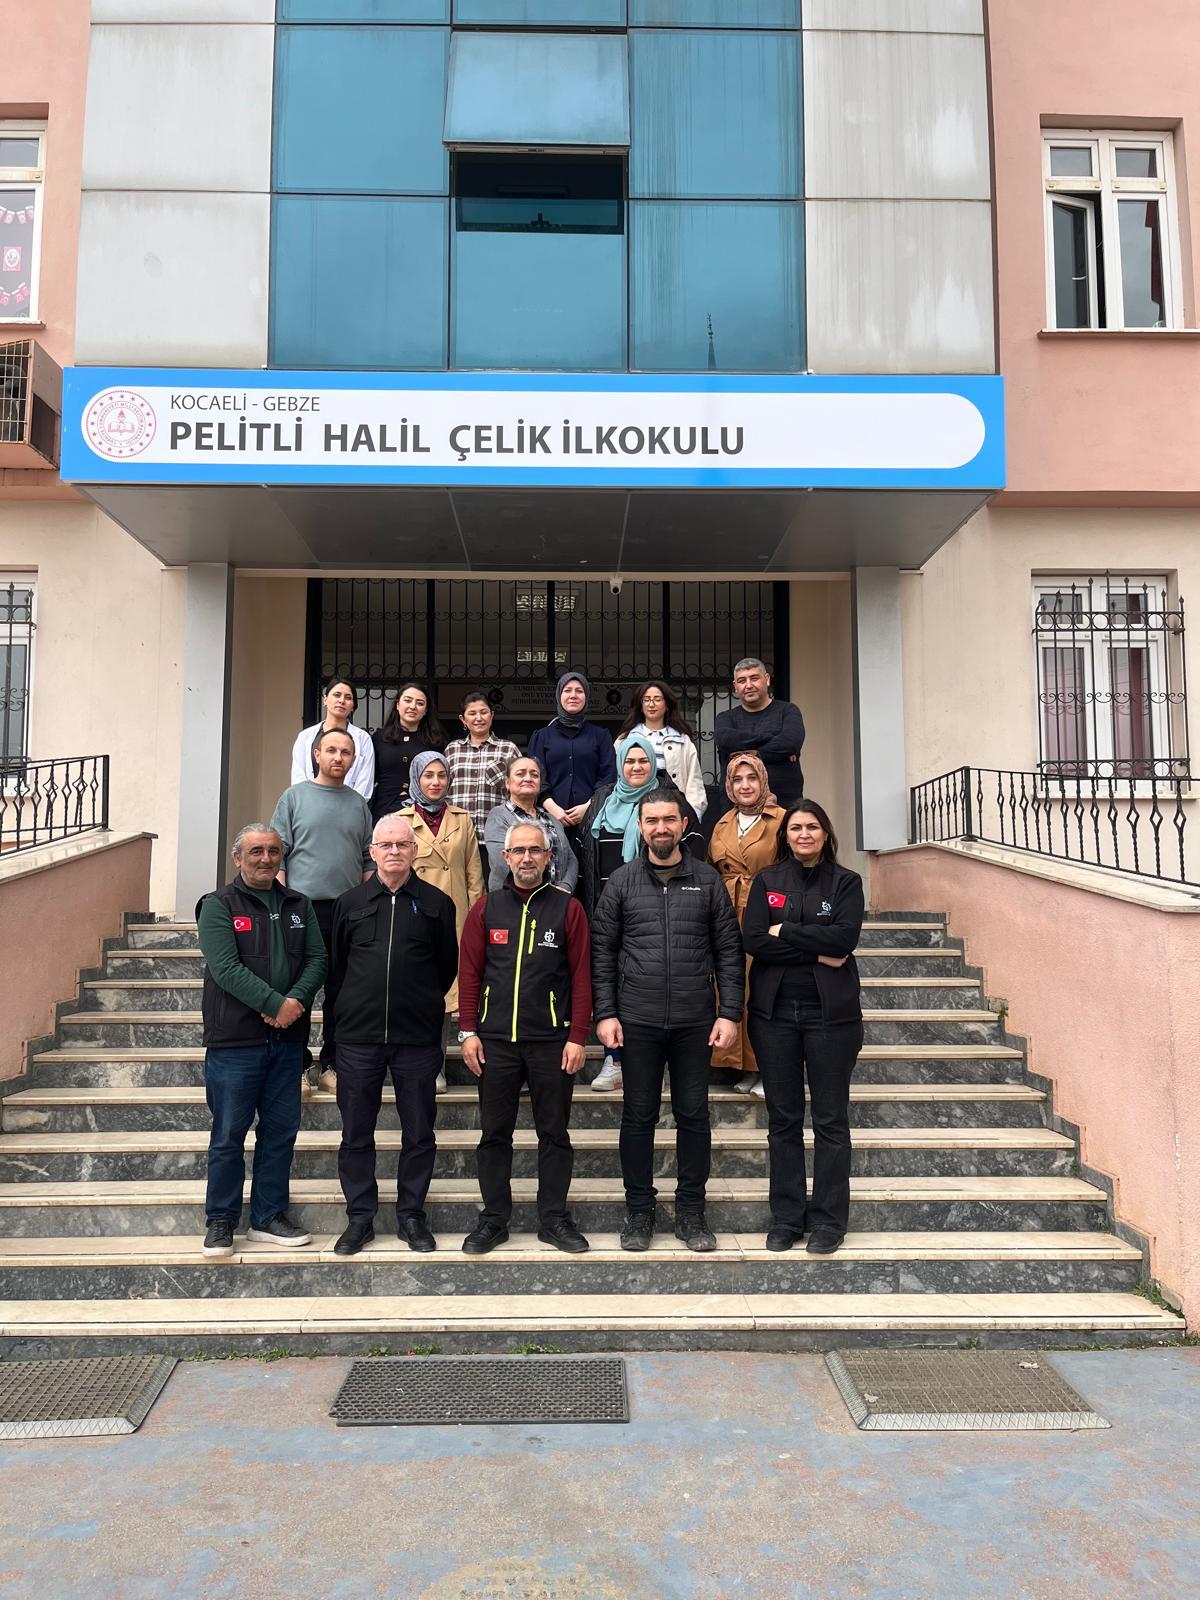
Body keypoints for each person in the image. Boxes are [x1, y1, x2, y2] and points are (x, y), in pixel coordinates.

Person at [590, 789, 744, 1253]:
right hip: (636, 1021)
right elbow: (602, 952)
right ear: (640, 827)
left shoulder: (707, 880)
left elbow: (728, 951)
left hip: (695, 1021)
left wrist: (730, 1012)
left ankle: (691, 1212)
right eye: (652, 820)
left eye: (669, 820)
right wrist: (606, 1013)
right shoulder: (621, 882)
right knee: (638, 1117)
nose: (661, 828)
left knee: (693, 1116)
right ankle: (640, 1212)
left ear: (683, 825)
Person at [322, 813, 459, 1257]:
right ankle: (360, 1218)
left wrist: (418, 1003)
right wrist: (332, 1039)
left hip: (416, 1039)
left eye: (402, 844)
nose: (395, 851)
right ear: (373, 852)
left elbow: (445, 967)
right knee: (355, 1134)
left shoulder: (437, 904)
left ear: (414, 851)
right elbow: (336, 971)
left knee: (419, 1133)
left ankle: (411, 1216)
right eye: (386, 845)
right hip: (357, 1038)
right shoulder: (350, 903)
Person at [457, 819, 593, 1256]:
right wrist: (468, 1031)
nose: (527, 858)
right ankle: (493, 1220)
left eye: (535, 850)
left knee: (554, 1134)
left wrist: (578, 1036)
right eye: (519, 851)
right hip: (495, 1041)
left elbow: (582, 977)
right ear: (505, 857)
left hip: (552, 1042)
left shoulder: (569, 909)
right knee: (494, 1135)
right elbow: (470, 973)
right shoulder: (486, 909)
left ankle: (553, 1219)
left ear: (549, 857)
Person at [196, 823, 326, 1258]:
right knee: (229, 1133)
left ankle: (268, 1216)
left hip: (286, 1042)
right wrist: (274, 1004)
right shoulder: (217, 905)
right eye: (256, 851)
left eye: (273, 851)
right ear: (238, 858)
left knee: (280, 1132)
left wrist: (296, 1001)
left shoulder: (298, 904)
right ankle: (221, 1220)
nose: (265, 859)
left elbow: (317, 958)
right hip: (235, 1042)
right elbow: (226, 968)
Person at [742, 799, 864, 1257]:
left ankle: (829, 1221)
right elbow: (754, 940)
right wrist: (818, 950)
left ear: (825, 833)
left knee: (830, 1120)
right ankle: (787, 1218)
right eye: (796, 828)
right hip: (774, 1016)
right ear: (786, 836)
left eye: (812, 826)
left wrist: (787, 932)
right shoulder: (767, 881)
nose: (804, 834)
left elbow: (844, 939)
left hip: (831, 1017)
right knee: (783, 1120)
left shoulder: (846, 882)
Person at [580, 733, 704, 1094]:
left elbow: (693, 851)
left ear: (654, 764)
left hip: (657, 907)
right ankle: (614, 1059)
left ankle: (652, 1060)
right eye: (630, 761)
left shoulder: (670, 800)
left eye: (643, 760)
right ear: (620, 765)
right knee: (609, 977)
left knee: (643, 981)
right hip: (606, 905)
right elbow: (586, 851)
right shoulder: (603, 800)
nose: (636, 767)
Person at [269, 728, 374, 1091]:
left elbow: (368, 859)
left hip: (347, 911)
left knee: (341, 991)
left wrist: (365, 905)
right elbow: (278, 853)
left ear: (353, 759)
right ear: (316, 754)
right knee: (299, 988)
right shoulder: (294, 797)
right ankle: (298, 1065)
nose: (338, 757)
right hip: (302, 908)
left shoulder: (358, 804)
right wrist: (282, 902)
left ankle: (332, 1063)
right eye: (331, 750)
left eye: (346, 752)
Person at [707, 752, 787, 1096]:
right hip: (727, 913)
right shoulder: (723, 823)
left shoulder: (782, 819)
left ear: (763, 780)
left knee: (767, 989)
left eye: (751, 778)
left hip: (767, 912)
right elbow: (713, 868)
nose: (745, 786)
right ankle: (741, 1064)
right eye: (737, 779)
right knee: (733, 986)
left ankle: (770, 1067)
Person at [399, 749, 485, 1029]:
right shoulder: (400, 820)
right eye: (428, 775)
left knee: (448, 991)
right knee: (415, 986)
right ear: (416, 778)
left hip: (455, 916)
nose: (436, 782)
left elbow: (474, 874)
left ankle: (440, 1057)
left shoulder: (462, 819)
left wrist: (476, 917)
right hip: (415, 914)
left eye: (442, 775)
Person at [528, 671, 616, 848]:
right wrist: (552, 808)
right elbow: (535, 775)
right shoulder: (542, 737)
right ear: (559, 696)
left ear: (586, 697)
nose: (573, 695)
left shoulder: (600, 736)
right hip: (549, 819)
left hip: (593, 819)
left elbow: (608, 776)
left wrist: (589, 807)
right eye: (567, 690)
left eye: (579, 691)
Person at [444, 690, 521, 875]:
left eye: (483, 712)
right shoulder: (452, 750)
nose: (478, 718)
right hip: (458, 838)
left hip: (497, 839)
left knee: (495, 888)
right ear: (463, 719)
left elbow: (520, 793)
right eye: (472, 713)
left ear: (491, 715)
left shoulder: (508, 749)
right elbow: (443, 793)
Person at [714, 657, 806, 809]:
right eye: (742, 681)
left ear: (767, 679)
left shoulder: (788, 711)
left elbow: (790, 742)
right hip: (737, 810)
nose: (748, 685)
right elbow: (725, 740)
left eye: (754, 678)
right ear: (735, 686)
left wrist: (742, 754)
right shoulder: (725, 718)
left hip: (784, 806)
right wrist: (773, 738)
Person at [483, 753, 578, 895]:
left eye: (534, 775)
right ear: (508, 783)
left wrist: (565, 887)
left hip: (558, 900)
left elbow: (571, 859)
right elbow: (502, 863)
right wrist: (541, 896)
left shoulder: (552, 819)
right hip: (514, 900)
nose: (528, 778)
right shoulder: (498, 816)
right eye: (520, 774)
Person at [617, 680, 708, 817]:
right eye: (646, 699)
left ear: (667, 705)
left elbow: (694, 781)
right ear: (641, 705)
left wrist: (693, 814)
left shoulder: (682, 740)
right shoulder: (625, 740)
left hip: (674, 811)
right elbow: (616, 779)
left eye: (657, 699)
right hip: (633, 811)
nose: (651, 704)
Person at [370, 679, 446, 822]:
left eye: (420, 703)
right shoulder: (380, 738)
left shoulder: (436, 741)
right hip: (383, 809)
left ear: (425, 710)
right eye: (408, 700)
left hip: (423, 812)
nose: (413, 706)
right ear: (398, 705)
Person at [289, 677, 375, 800]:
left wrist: (349, 806)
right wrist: (308, 804)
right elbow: (298, 777)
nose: (342, 700)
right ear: (325, 699)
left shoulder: (363, 739)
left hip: (349, 807)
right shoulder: (305, 737)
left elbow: (365, 782)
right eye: (337, 695)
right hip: (309, 804)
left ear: (353, 706)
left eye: (348, 697)